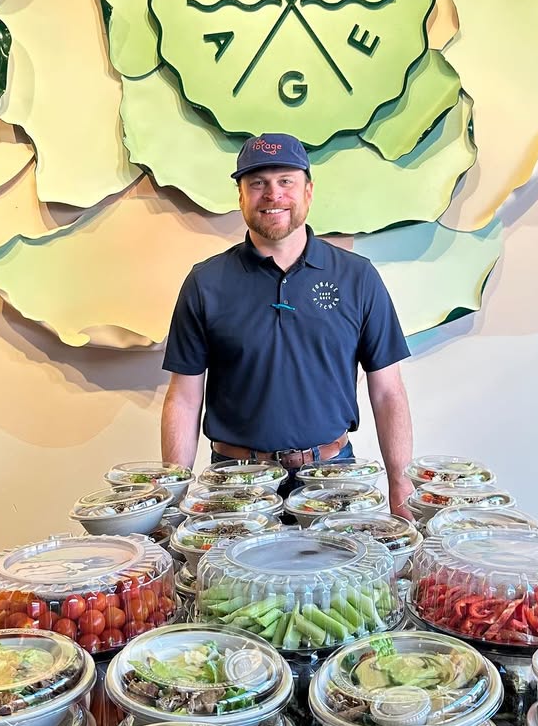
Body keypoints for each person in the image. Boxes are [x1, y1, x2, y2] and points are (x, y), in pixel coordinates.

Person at [160, 132, 414, 517]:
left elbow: (388, 392)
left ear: (308, 191)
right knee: (232, 580)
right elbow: (184, 397)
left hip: (332, 476)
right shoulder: (205, 283)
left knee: (342, 579)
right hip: (235, 482)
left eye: (285, 181)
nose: (272, 194)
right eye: (257, 183)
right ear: (241, 196)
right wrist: (174, 496)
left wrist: (400, 481)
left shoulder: (358, 278)